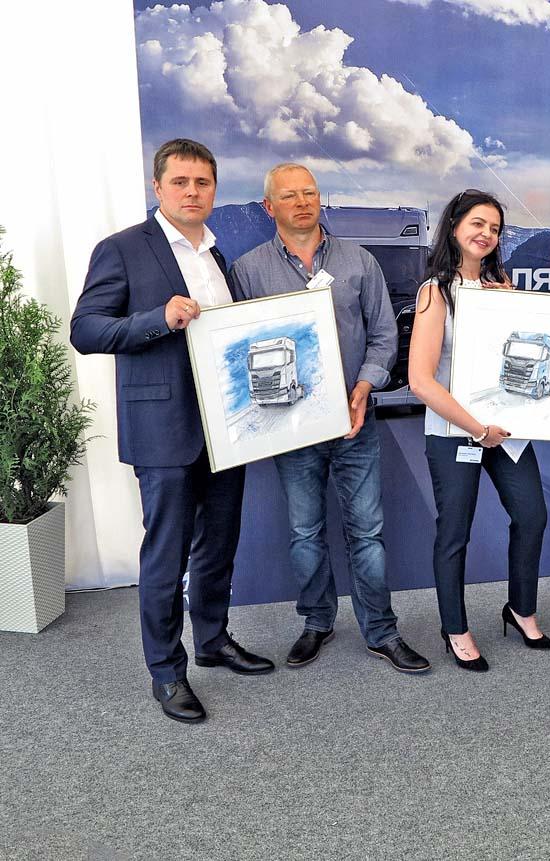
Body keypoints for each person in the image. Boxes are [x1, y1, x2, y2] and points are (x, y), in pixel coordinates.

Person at [70, 139, 274, 724]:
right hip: (163, 428)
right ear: (157, 187)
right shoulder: (122, 248)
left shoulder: (217, 253)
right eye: (180, 182)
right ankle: (166, 671)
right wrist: (156, 320)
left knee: (219, 542)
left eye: (202, 183)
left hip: (226, 426)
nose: (192, 192)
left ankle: (212, 640)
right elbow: (86, 330)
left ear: (214, 190)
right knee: (167, 553)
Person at [230, 163, 429, 674]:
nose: (302, 202)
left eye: (310, 193)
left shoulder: (359, 261)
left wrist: (364, 388)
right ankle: (317, 622)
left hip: (354, 421)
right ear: (268, 206)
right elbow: (237, 349)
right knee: (304, 534)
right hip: (290, 428)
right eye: (289, 195)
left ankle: (381, 631)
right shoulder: (248, 271)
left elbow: (383, 335)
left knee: (368, 533)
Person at [408, 189, 550, 672]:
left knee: (532, 516)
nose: (486, 234)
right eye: (477, 223)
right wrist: (476, 428)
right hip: (456, 432)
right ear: (454, 227)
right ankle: (455, 628)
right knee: (454, 533)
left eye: (494, 228)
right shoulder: (435, 293)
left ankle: (521, 608)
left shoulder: (500, 289)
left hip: (504, 431)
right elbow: (420, 380)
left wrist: (516, 310)